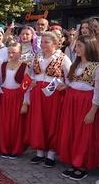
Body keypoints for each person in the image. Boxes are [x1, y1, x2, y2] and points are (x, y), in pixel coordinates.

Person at [26, 32, 71, 168]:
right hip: (38, 92)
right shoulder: (37, 56)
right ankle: (40, 151)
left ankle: (51, 154)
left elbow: (70, 77)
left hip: (54, 94)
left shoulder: (63, 58)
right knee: (38, 120)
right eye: (42, 42)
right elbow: (30, 74)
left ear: (55, 43)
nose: (43, 44)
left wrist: (65, 85)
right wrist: (32, 81)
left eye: (47, 42)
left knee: (52, 121)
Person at [57, 35, 99, 181]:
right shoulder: (76, 64)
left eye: (80, 46)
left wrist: (92, 111)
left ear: (89, 46)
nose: (76, 49)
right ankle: (73, 161)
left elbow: (97, 91)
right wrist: (66, 85)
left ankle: (82, 164)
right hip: (71, 101)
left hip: (86, 102)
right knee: (72, 131)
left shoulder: (96, 66)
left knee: (83, 134)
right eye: (77, 46)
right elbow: (72, 82)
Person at [0, 43, 28, 159]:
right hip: (5, 96)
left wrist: (25, 103)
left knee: (16, 124)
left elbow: (27, 87)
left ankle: (15, 149)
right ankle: (3, 148)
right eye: (9, 52)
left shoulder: (25, 66)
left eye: (14, 52)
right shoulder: (3, 65)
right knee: (3, 122)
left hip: (18, 97)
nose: (11, 54)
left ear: (20, 53)